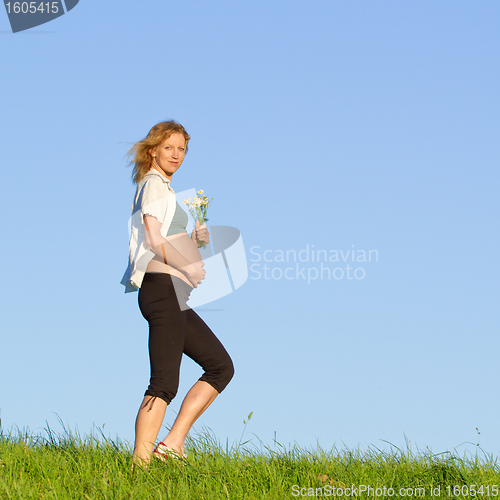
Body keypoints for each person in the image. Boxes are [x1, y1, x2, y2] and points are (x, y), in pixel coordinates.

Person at [120, 120, 234, 467]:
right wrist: (187, 267)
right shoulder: (153, 183)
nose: (176, 154)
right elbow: (153, 240)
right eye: (168, 147)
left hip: (173, 294)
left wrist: (194, 240)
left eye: (181, 149)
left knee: (220, 367)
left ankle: (172, 444)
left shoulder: (166, 191)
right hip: (160, 290)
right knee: (164, 382)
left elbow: (166, 238)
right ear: (152, 149)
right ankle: (140, 464)